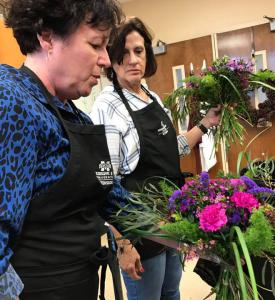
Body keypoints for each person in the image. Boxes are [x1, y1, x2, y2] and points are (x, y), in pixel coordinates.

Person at [90, 17, 221, 300]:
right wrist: (123, 243)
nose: (133, 60)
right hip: (137, 228)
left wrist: (205, 124)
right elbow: (103, 185)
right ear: (111, 61)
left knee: (171, 292)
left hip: (169, 220)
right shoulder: (107, 107)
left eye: (138, 51)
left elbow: (170, 149)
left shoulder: (151, 97)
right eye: (123, 55)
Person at [0, 1, 123, 299]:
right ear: (47, 37)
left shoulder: (76, 116)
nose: (106, 60)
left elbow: (115, 200)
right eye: (96, 44)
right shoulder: (13, 102)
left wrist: (193, 228)